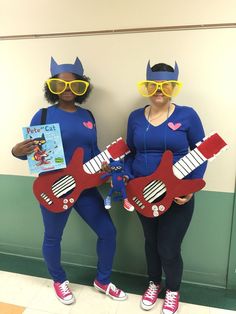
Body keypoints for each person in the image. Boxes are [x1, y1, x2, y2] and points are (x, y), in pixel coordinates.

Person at [11, 57, 127, 305]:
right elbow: (32, 153)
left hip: (85, 188)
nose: (67, 90)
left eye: (74, 85)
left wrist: (105, 169)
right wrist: (16, 152)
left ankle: (103, 280)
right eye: (60, 85)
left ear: (82, 87)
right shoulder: (42, 115)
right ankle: (58, 280)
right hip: (53, 188)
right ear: (51, 87)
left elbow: (92, 150)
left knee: (108, 232)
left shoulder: (88, 115)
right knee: (53, 237)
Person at [125, 61, 207, 313]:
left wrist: (192, 187)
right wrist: (128, 179)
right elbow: (130, 152)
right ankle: (153, 283)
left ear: (174, 87)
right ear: (147, 86)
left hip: (177, 196)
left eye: (165, 85)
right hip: (144, 196)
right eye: (154, 85)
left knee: (168, 247)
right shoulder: (135, 117)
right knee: (151, 243)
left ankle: (172, 289)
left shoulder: (188, 115)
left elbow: (202, 152)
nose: (159, 90)